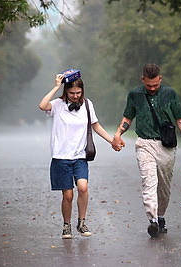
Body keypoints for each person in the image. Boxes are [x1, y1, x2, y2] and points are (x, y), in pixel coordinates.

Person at [111, 63, 181, 237]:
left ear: (160, 79)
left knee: (164, 187)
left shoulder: (169, 94)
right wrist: (118, 133)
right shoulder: (135, 95)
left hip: (166, 146)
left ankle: (160, 216)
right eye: (148, 85)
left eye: (155, 85)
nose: (151, 88)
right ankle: (153, 220)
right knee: (149, 182)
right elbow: (128, 116)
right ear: (142, 80)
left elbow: (180, 118)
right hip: (144, 143)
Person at [39, 72, 113, 239]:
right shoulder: (57, 104)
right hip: (61, 157)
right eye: (72, 93)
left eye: (78, 93)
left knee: (83, 187)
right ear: (66, 92)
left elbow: (96, 126)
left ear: (82, 92)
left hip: (80, 156)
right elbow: (42, 106)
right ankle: (67, 225)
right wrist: (56, 87)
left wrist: (112, 141)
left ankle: (82, 222)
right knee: (68, 195)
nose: (75, 96)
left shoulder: (87, 105)